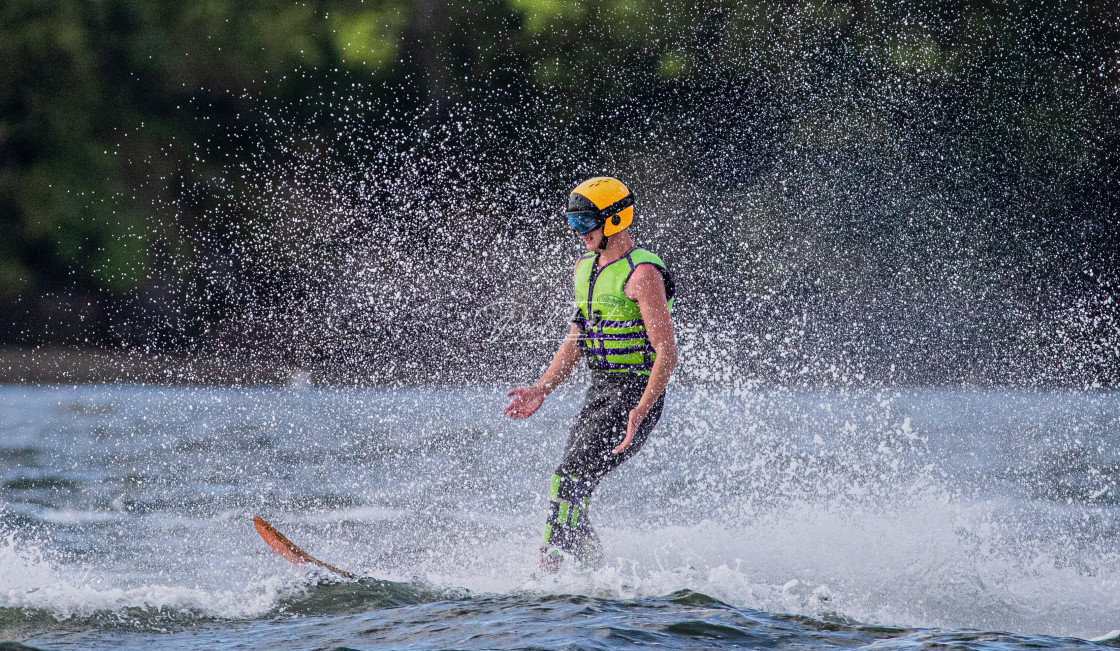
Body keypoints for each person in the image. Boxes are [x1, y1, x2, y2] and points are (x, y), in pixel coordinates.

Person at [504, 177, 678, 573]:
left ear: (615, 220)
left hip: (635, 392)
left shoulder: (643, 274)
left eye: (585, 224)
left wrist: (641, 408)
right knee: (571, 487)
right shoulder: (585, 269)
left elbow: (666, 353)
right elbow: (576, 338)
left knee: (567, 481)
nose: (577, 233)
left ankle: (550, 576)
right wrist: (541, 388)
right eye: (572, 223)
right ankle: (593, 575)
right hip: (601, 390)